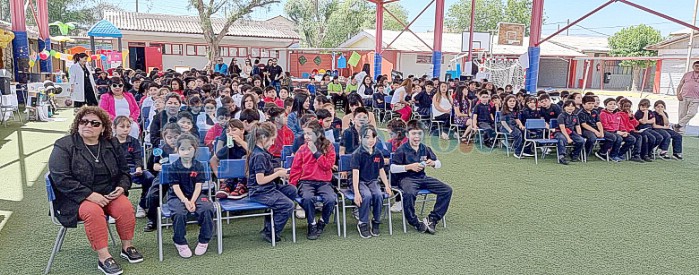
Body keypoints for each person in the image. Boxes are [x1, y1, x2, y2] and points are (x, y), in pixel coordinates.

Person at [48, 107, 143, 275]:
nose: (88, 125)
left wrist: (122, 187)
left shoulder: (112, 143)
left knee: (125, 208)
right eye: (83, 122)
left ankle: (127, 246)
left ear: (103, 127)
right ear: (77, 125)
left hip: (109, 192)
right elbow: (60, 178)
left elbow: (124, 172)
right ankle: (103, 257)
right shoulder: (64, 145)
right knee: (93, 212)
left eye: (94, 123)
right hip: (76, 197)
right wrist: (90, 195)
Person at [390, 120, 452, 234]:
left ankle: (432, 219)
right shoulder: (401, 149)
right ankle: (415, 222)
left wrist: (433, 163)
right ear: (408, 135)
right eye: (414, 133)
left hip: (423, 178)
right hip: (406, 179)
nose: (417, 137)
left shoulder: (425, 148)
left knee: (447, 190)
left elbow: (438, 163)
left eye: (419, 133)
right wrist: (409, 167)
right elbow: (392, 168)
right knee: (409, 193)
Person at [246, 122, 297, 243]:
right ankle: (271, 232)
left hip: (268, 188)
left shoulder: (260, 152)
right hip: (259, 191)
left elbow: (264, 172)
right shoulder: (259, 155)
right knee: (288, 205)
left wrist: (277, 170)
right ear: (263, 138)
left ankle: (270, 224)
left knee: (292, 190)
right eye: (272, 140)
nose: (273, 143)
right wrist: (278, 174)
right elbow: (260, 180)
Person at [166, 134, 215, 258]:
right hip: (177, 197)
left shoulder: (199, 166)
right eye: (182, 149)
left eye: (189, 149)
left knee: (207, 208)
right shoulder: (173, 167)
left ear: (195, 149)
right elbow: (175, 187)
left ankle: (204, 239)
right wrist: (185, 201)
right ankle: (180, 241)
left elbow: (199, 186)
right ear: (177, 150)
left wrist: (192, 201)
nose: (186, 152)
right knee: (179, 213)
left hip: (196, 195)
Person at [289, 120, 337, 240]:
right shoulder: (302, 149)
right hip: (306, 182)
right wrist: (292, 186)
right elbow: (295, 169)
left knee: (331, 199)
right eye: (305, 134)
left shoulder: (328, 147)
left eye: (309, 134)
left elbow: (327, 166)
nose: (306, 137)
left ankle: (322, 221)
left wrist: (316, 152)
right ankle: (312, 224)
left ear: (318, 134)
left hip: (324, 182)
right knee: (307, 198)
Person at [350, 124, 392, 238]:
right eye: (367, 137)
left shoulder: (378, 153)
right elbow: (355, 174)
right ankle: (363, 223)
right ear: (360, 138)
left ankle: (376, 221)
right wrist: (357, 193)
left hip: (372, 181)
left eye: (373, 137)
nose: (370, 140)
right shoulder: (357, 154)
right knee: (367, 196)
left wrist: (387, 186)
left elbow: (381, 170)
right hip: (359, 181)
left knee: (378, 195)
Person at [113, 116, 153, 219]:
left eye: (128, 126)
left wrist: (138, 168)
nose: (125, 129)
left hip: (132, 169)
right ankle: (114, 209)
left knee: (149, 177)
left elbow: (137, 157)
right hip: (116, 170)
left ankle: (142, 205)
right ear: (114, 127)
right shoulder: (109, 142)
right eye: (122, 126)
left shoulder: (134, 141)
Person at [211, 119, 248, 199]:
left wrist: (241, 142)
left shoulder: (250, 140)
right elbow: (213, 160)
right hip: (232, 175)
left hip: (247, 175)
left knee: (245, 158)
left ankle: (242, 186)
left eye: (234, 130)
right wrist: (220, 176)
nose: (231, 133)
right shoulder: (229, 146)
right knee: (229, 163)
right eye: (228, 131)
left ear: (242, 130)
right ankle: (226, 185)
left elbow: (256, 153)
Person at [578, 95, 616, 161]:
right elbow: (584, 124)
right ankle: (585, 154)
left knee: (612, 137)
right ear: (583, 104)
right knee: (592, 138)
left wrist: (601, 132)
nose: (591, 105)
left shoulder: (595, 112)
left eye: (592, 103)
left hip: (596, 129)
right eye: (589, 103)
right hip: (585, 130)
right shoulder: (581, 113)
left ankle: (602, 152)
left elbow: (598, 123)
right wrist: (596, 132)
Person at [553, 100, 584, 165]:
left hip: (571, 132)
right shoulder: (561, 116)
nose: (570, 107)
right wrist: (568, 138)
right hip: (560, 132)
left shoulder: (575, 116)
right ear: (564, 107)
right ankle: (562, 157)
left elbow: (578, 127)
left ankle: (574, 154)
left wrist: (579, 135)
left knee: (581, 140)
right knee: (562, 139)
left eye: (572, 106)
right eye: (568, 106)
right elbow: (562, 128)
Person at [600, 98, 631, 162]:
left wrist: (624, 131)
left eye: (614, 104)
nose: (613, 105)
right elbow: (605, 126)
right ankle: (612, 155)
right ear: (606, 105)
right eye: (610, 104)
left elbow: (621, 124)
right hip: (607, 131)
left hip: (618, 132)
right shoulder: (603, 114)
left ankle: (619, 153)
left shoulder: (617, 114)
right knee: (618, 138)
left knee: (631, 139)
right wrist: (616, 131)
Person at [675, 60, 699, 134]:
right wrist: (678, 94)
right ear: (693, 67)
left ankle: (678, 125)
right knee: (682, 114)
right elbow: (680, 85)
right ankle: (680, 132)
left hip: (695, 98)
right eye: (696, 66)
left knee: (692, 113)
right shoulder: (687, 74)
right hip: (684, 97)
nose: (698, 67)